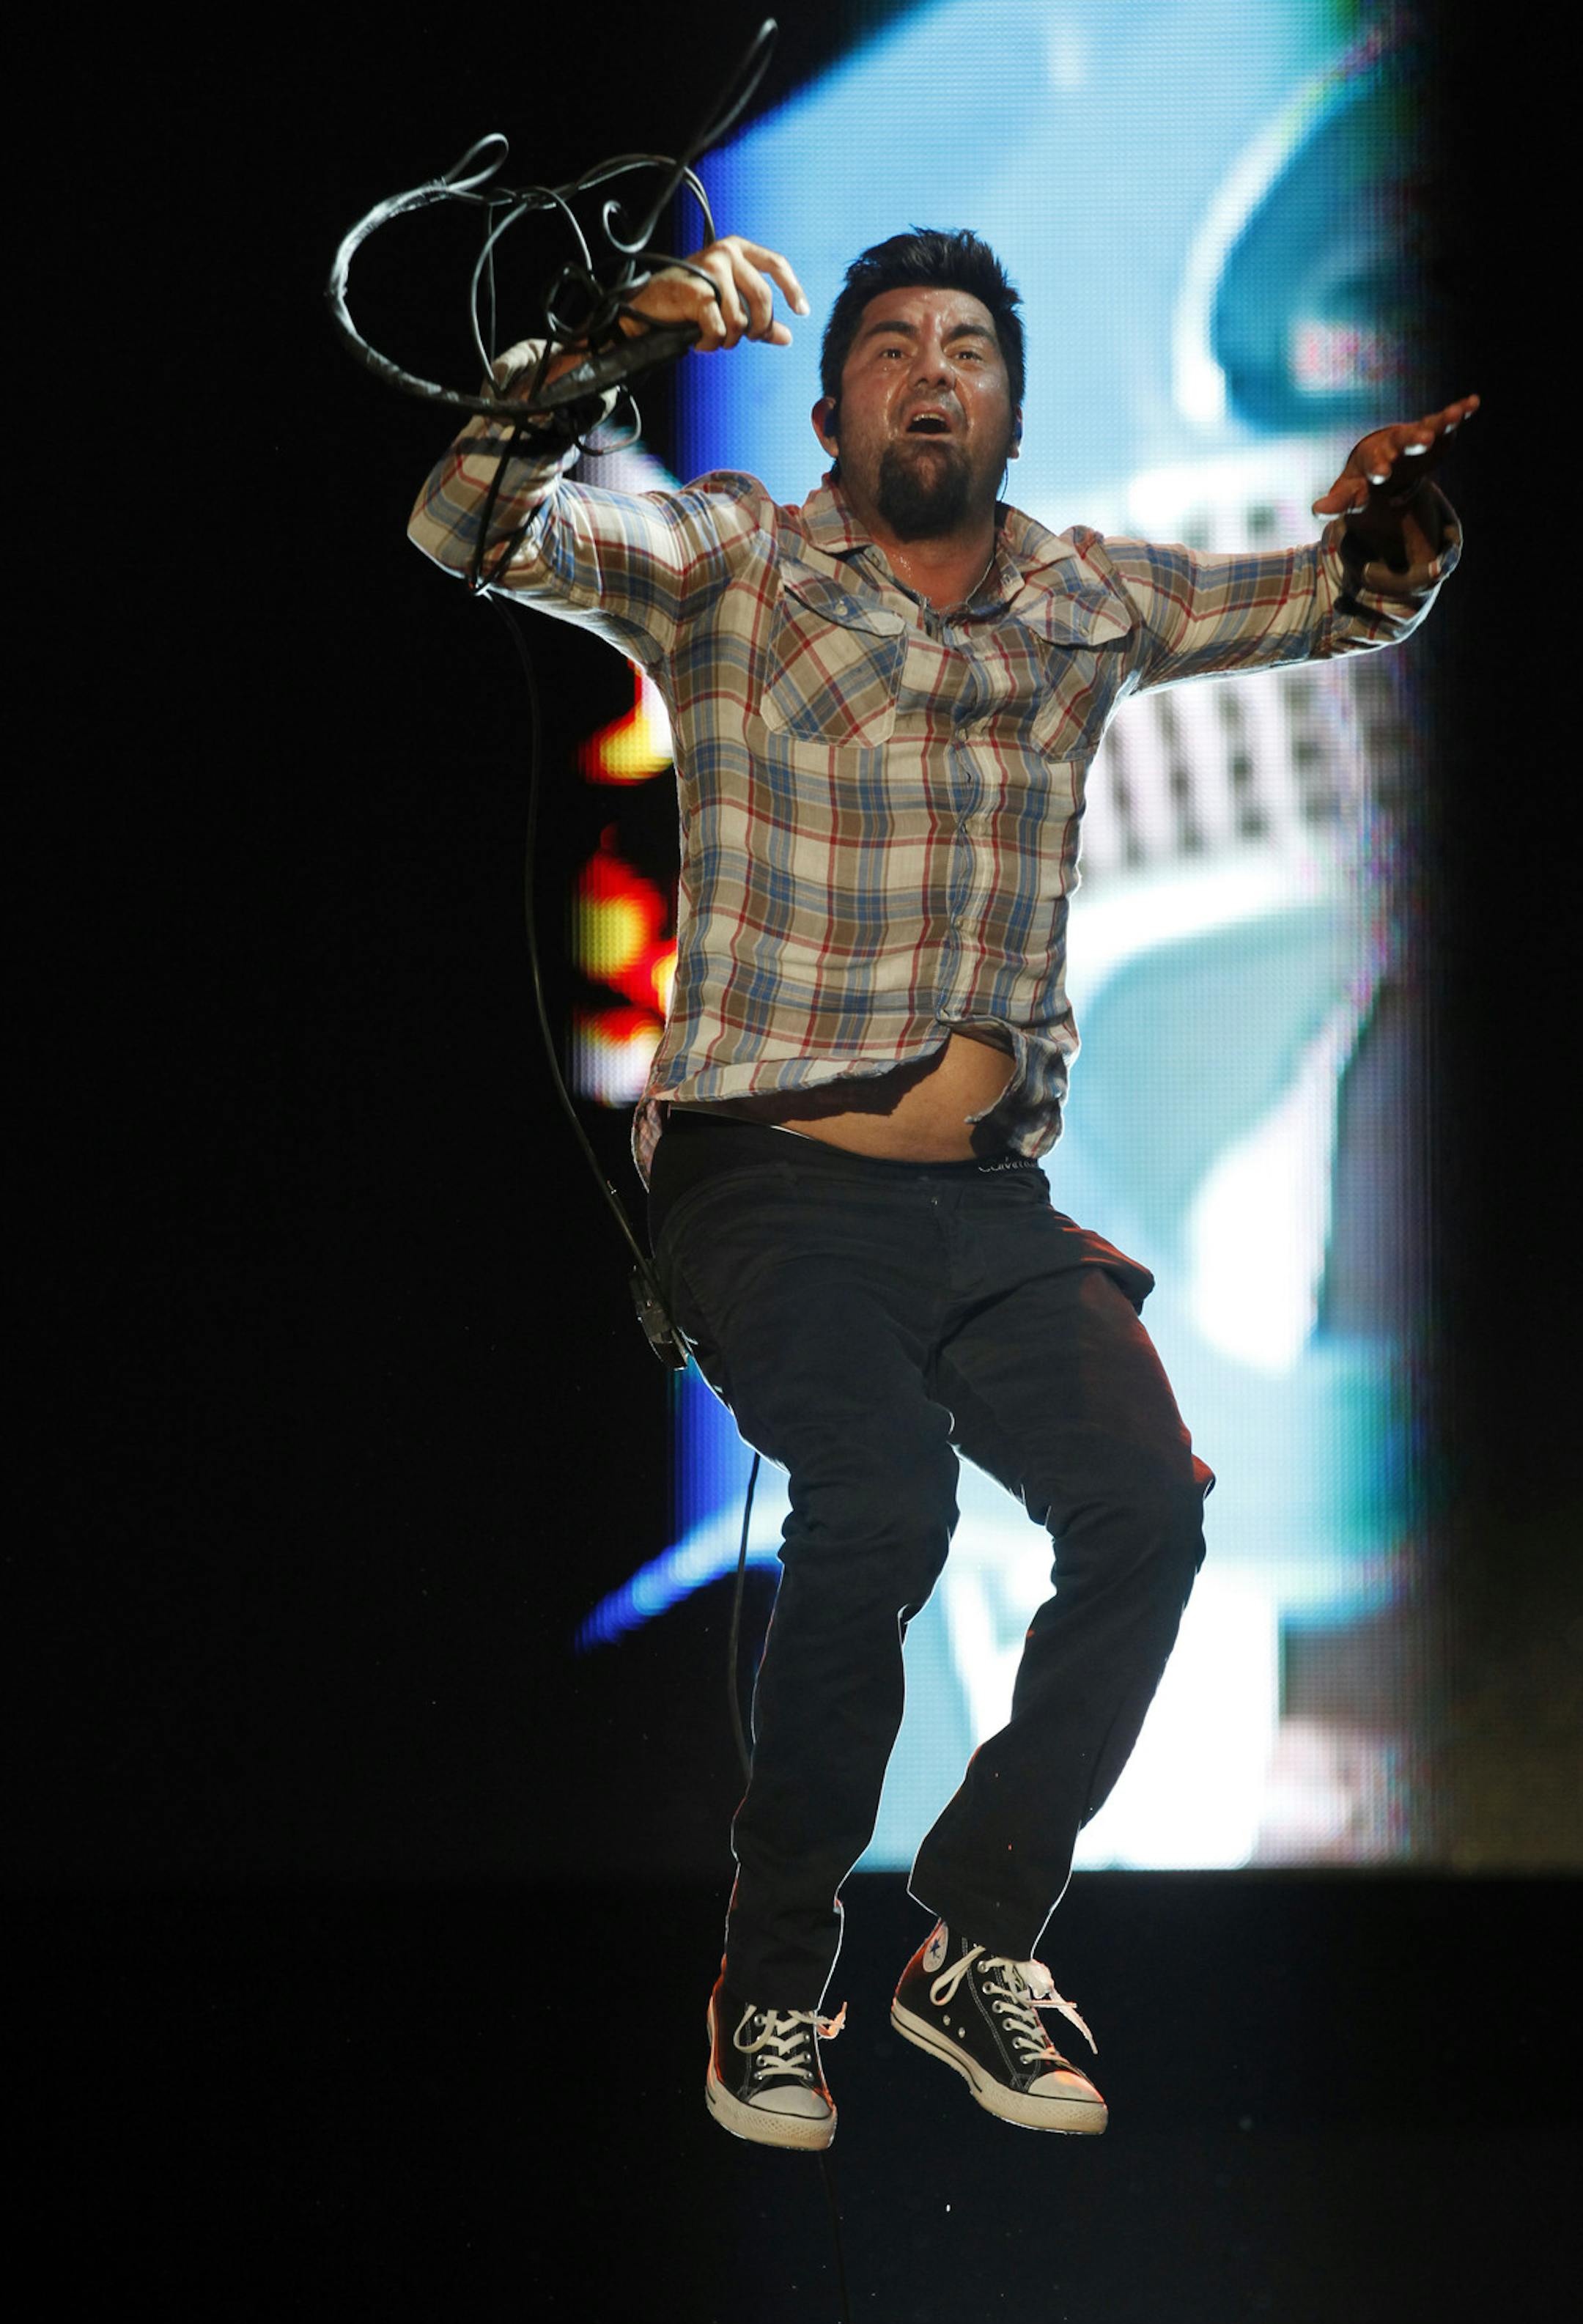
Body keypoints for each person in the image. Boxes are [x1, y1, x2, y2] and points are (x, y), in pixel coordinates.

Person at [410, 227, 1475, 2153]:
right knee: (884, 1497)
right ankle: (772, 1980)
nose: (931, 370)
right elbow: (467, 523)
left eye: (968, 345)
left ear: (1010, 408)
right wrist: (614, 335)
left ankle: (975, 1939)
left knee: (1147, 1511)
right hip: (764, 1185)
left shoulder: (1085, 597)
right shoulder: (732, 568)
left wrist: (1403, 526)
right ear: (832, 413)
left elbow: (1347, 601)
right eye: (892, 344)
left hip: (988, 1211)